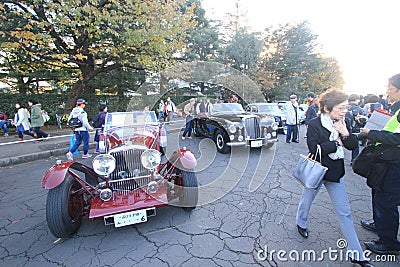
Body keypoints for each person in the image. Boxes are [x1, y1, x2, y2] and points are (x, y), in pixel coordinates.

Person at [295, 89, 372, 267]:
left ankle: (357, 254)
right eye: (340, 108)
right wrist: (337, 141)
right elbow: (314, 149)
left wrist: (345, 133)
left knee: (345, 212)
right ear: (328, 108)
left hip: (336, 173)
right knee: (306, 201)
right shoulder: (314, 123)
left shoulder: (343, 121)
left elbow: (353, 145)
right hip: (317, 171)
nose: (344, 111)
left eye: (346, 107)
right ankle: (301, 223)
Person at [359, 73, 400, 255]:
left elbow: (396, 138)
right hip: (384, 161)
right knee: (378, 195)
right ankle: (379, 224)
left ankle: (388, 243)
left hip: (394, 164)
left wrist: (370, 133)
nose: (387, 93)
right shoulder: (396, 109)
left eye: (390, 89)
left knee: (387, 201)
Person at [346, 94, 367, 162]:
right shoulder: (360, 109)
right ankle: (354, 160)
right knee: (355, 145)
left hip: (344, 128)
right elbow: (363, 121)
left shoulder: (344, 107)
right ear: (356, 99)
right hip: (356, 129)